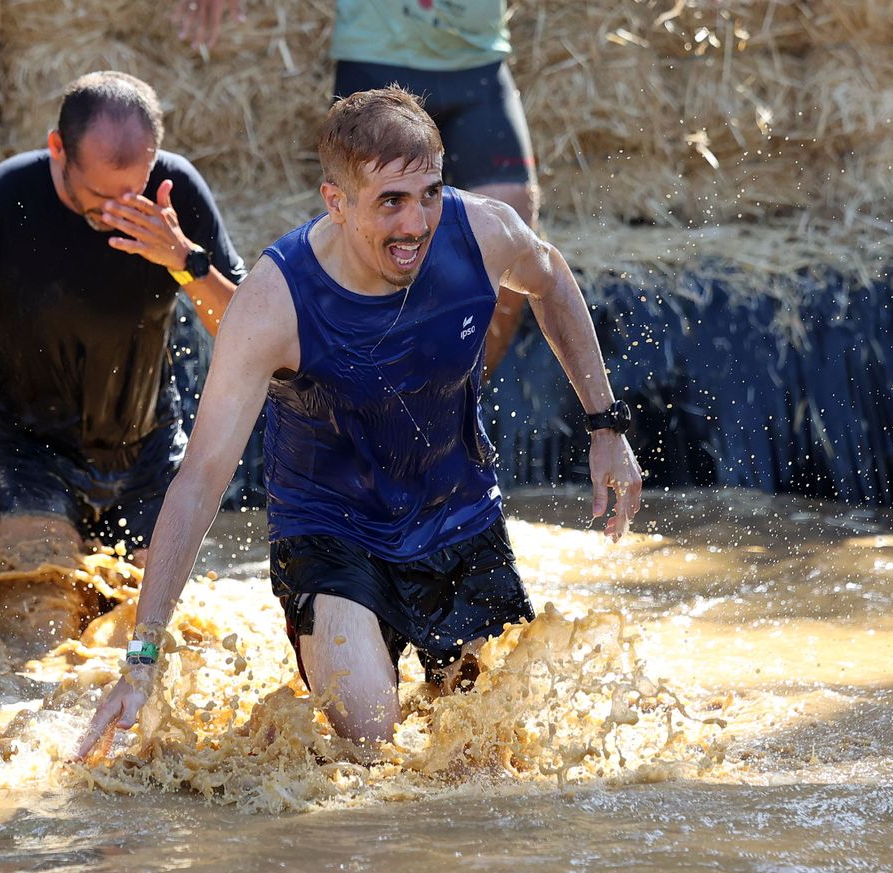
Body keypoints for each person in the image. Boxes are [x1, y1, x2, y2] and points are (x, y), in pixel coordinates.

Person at [78, 87, 640, 756]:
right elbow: (199, 480)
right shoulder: (274, 301)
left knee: (487, 753)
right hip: (330, 538)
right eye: (391, 202)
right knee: (372, 738)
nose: (416, 225)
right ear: (337, 202)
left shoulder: (481, 232)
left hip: (459, 523)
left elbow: (549, 278)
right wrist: (141, 660)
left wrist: (606, 426)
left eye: (429, 193)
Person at [0, 71, 246, 642]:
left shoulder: (174, 194)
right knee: (37, 629)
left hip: (146, 453)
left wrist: (183, 259)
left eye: (130, 192)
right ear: (57, 148)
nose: (117, 209)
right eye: (101, 196)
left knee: (163, 636)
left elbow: (246, 334)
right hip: (27, 453)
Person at [172, 0, 539, 376]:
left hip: (479, 60)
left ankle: (461, 399)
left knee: (514, 229)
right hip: (377, 54)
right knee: (374, 231)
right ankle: (367, 398)